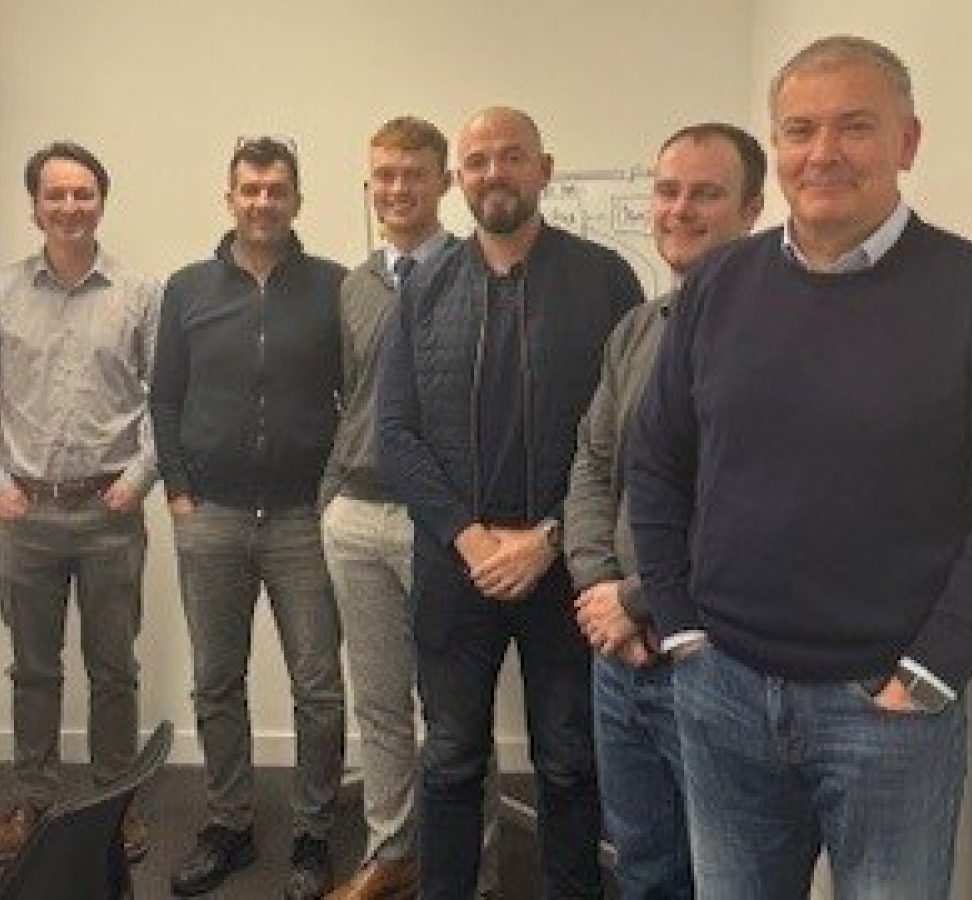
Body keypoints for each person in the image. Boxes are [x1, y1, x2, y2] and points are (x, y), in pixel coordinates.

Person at [627, 35, 972, 898]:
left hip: (887, 712)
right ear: (777, 145)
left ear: (908, 142)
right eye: (800, 130)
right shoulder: (719, 287)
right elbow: (656, 462)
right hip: (723, 689)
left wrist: (931, 672)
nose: (823, 153)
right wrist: (682, 629)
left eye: (855, 127)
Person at [377, 106, 644, 899]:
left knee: (568, 760)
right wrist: (468, 538)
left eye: (512, 156)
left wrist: (547, 538)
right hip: (454, 569)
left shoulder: (606, 281)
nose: (494, 172)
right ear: (459, 179)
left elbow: (623, 439)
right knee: (450, 758)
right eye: (478, 160)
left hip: (566, 571)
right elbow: (395, 436)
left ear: (544, 169)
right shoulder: (422, 289)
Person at [564, 122, 765, 900]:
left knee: (732, 875)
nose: (680, 210)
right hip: (620, 658)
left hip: (714, 659)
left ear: (752, 208)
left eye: (706, 194)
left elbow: (753, 507)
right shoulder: (639, 328)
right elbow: (593, 464)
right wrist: (599, 589)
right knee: (645, 866)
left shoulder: (774, 336)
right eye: (668, 191)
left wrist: (638, 600)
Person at [0, 141, 159, 862]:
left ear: (102, 201)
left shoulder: (140, 294)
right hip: (27, 515)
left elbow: (167, 398)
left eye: (83, 194)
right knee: (33, 671)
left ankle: (113, 804)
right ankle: (34, 801)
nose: (70, 207)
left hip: (111, 512)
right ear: (35, 207)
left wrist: (139, 480)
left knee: (114, 670)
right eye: (56, 195)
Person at [151, 137, 347, 900]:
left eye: (277, 190)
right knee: (215, 681)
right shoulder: (187, 289)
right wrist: (178, 491)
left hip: (303, 519)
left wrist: (334, 493)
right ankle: (228, 824)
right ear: (229, 198)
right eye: (250, 189)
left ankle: (313, 833)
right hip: (213, 516)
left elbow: (357, 398)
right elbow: (165, 397)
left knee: (318, 687)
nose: (263, 202)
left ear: (297, 200)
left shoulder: (333, 287)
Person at [319, 116, 501, 900]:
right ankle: (390, 852)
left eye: (414, 174)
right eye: (384, 176)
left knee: (454, 710)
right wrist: (331, 497)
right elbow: (350, 398)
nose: (397, 189)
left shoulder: (476, 271)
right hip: (356, 516)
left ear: (445, 182)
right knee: (380, 703)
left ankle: (473, 868)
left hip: (439, 523)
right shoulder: (355, 285)